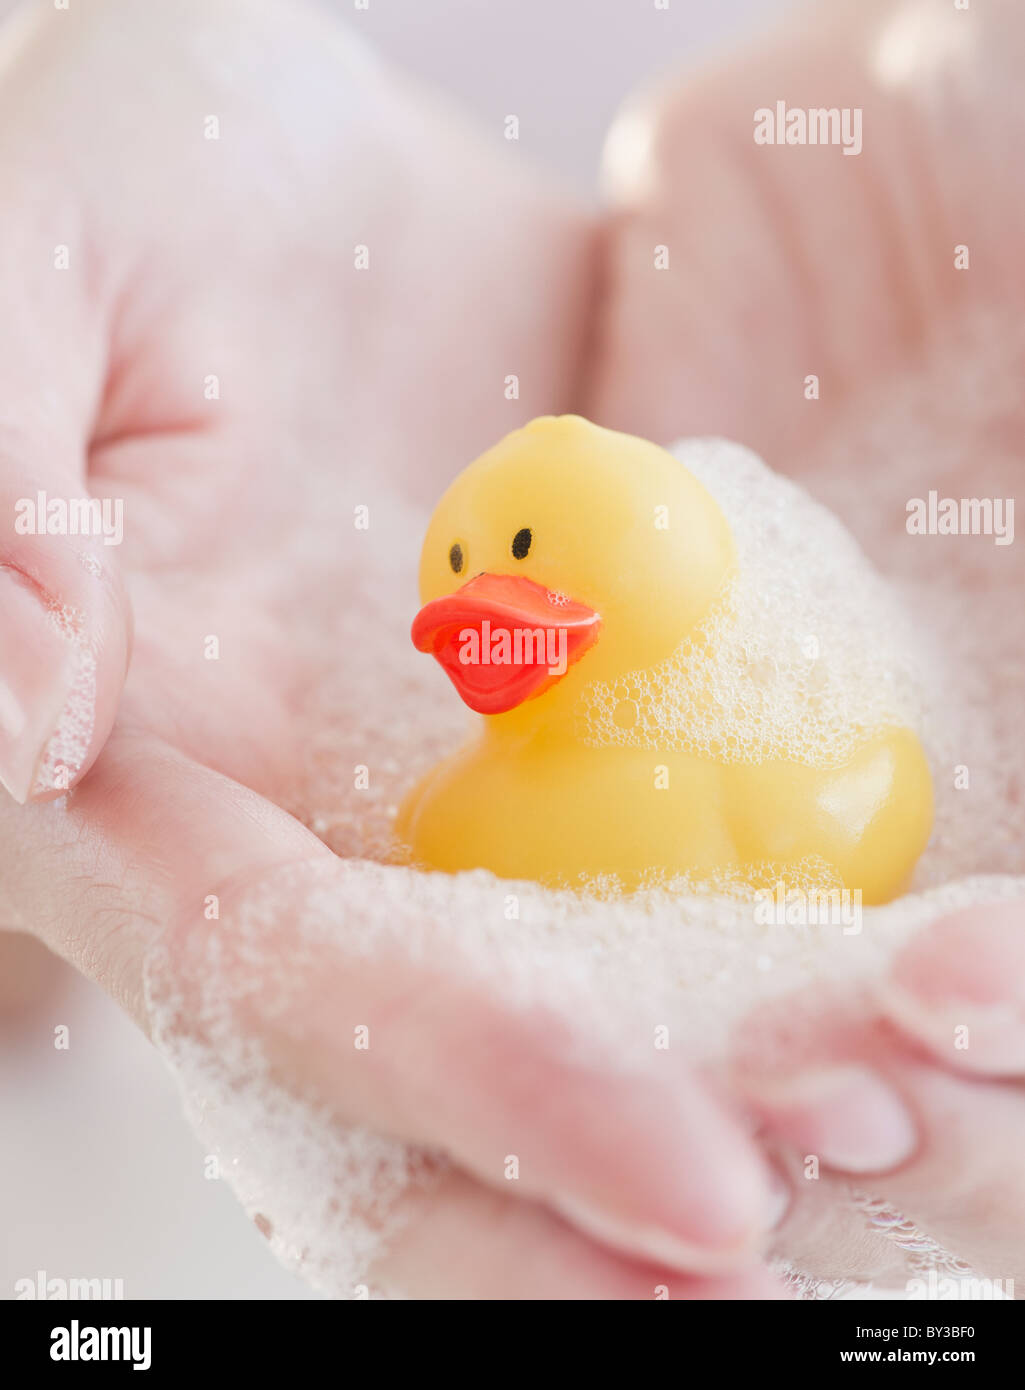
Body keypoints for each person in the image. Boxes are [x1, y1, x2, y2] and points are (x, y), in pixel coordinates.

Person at [1, 0, 1021, 1297]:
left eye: (525, 551)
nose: (479, 603)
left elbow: (875, 793)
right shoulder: (455, 806)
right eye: (464, 574)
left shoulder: (769, 777)